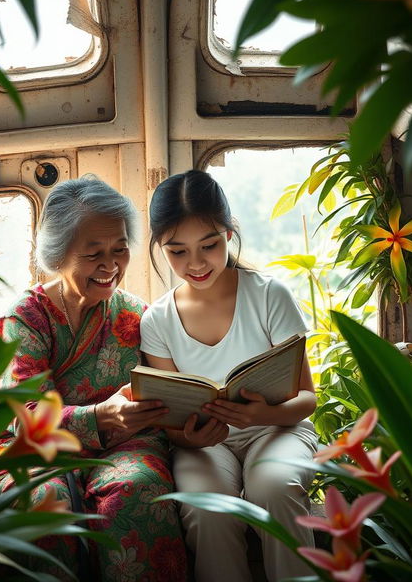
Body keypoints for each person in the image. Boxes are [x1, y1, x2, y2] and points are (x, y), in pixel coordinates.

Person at [0, 175, 188, 581]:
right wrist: (96, 416)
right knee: (44, 499)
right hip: (36, 450)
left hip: (124, 446)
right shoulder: (24, 318)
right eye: (93, 253)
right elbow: (25, 415)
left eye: (120, 249)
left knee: (138, 489)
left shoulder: (137, 313)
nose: (110, 266)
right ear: (59, 255)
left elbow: (162, 397)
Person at [140, 169, 318, 582]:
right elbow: (169, 420)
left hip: (278, 430)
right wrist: (189, 437)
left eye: (209, 244)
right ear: (159, 248)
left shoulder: (269, 294)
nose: (196, 263)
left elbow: (308, 398)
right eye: (177, 251)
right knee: (205, 507)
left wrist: (260, 417)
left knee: (274, 486)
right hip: (205, 445)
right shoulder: (157, 320)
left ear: (229, 233)